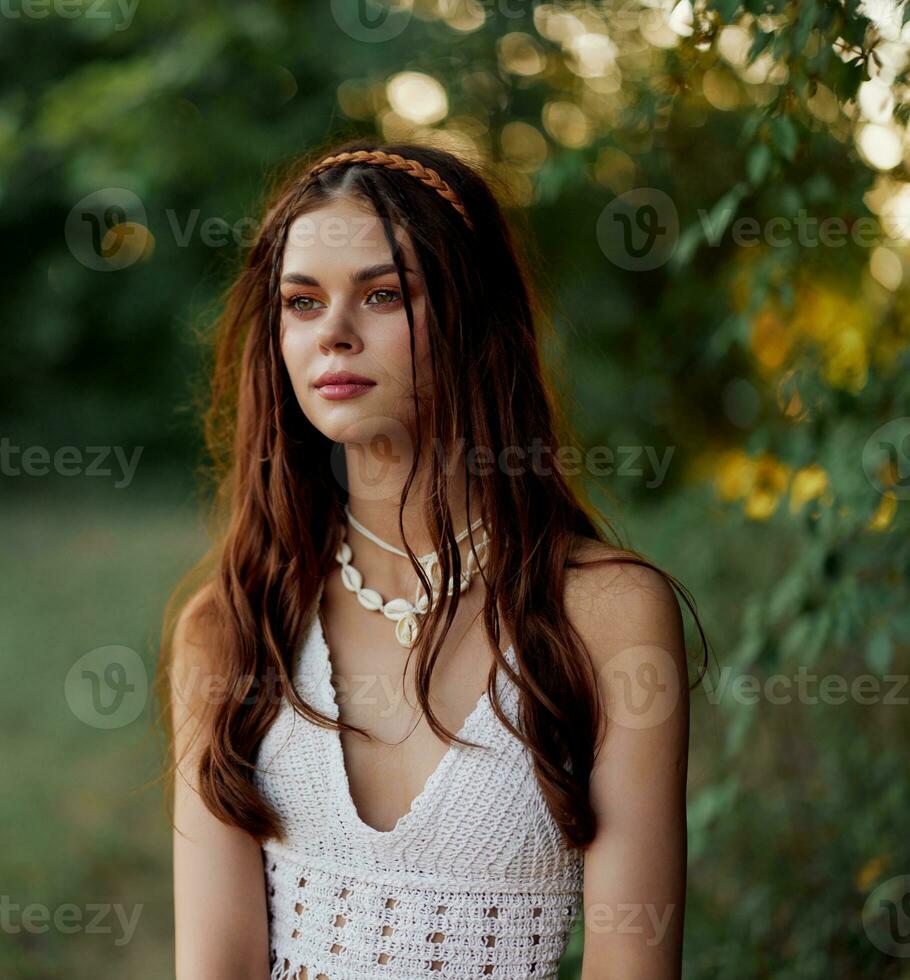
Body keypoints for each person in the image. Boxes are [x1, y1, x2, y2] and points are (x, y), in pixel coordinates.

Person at [159, 140, 705, 979]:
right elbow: (217, 966)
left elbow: (633, 964)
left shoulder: (604, 614)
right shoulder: (233, 626)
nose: (334, 335)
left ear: (471, 317)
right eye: (301, 304)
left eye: (382, 295)